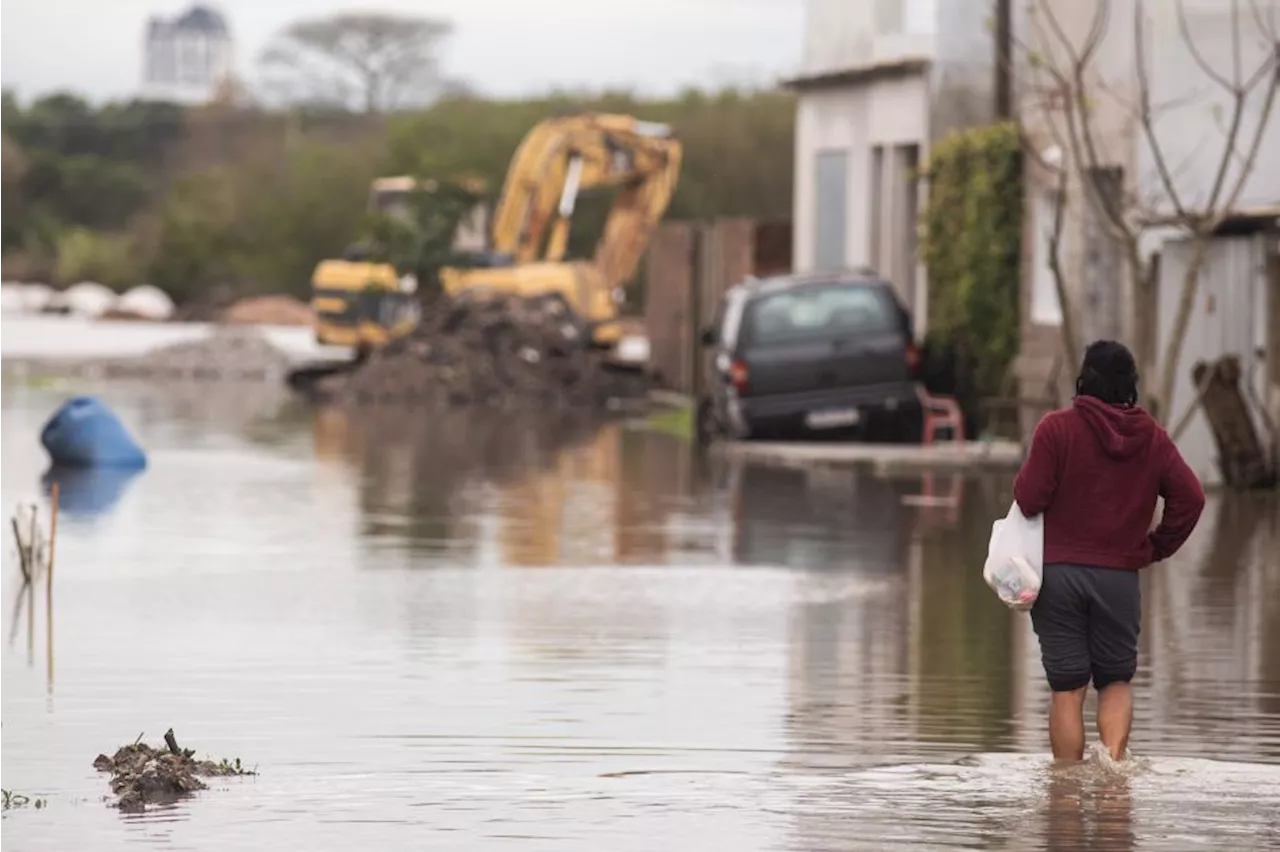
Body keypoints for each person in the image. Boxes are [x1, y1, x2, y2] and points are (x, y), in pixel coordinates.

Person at [1013, 340, 1205, 762]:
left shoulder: (1055, 429)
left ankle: (1065, 792)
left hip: (1058, 577)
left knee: (1067, 687)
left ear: (1085, 379)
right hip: (1118, 580)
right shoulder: (1152, 438)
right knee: (1115, 681)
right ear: (1130, 386)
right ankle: (1114, 782)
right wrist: (1156, 546)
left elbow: (1028, 499)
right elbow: (1191, 497)